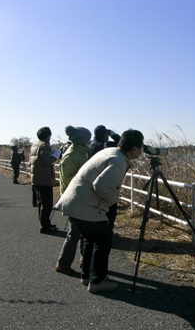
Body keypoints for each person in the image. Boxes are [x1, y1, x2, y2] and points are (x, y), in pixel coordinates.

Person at [55, 129, 144, 293]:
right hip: (85, 206)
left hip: (73, 203)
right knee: (104, 240)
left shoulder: (110, 152)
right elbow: (101, 186)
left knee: (90, 239)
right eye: (141, 147)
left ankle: (87, 276)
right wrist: (115, 197)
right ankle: (98, 281)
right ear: (135, 149)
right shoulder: (118, 161)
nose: (142, 150)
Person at [55, 126, 92, 276]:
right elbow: (68, 181)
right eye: (88, 138)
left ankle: (85, 259)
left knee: (83, 232)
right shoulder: (72, 155)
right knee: (75, 233)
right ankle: (63, 263)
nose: (90, 141)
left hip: (81, 197)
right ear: (83, 140)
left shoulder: (79, 152)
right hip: (75, 199)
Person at [89, 125, 121, 230]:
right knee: (110, 208)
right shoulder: (104, 144)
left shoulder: (91, 144)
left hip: (92, 178)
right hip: (104, 179)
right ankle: (107, 231)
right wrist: (111, 132)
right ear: (105, 134)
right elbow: (120, 141)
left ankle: (98, 229)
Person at [30, 126, 60, 234]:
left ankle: (45, 223)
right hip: (44, 179)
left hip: (37, 178)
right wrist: (56, 155)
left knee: (41, 203)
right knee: (47, 204)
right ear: (48, 136)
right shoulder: (44, 146)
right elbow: (47, 161)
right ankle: (45, 226)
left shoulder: (35, 145)